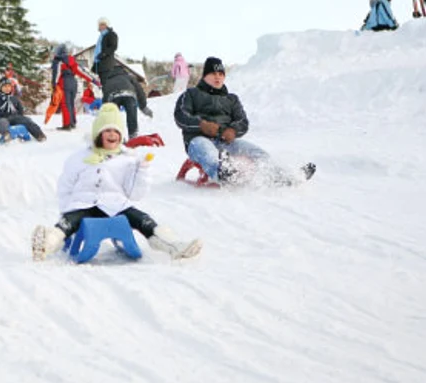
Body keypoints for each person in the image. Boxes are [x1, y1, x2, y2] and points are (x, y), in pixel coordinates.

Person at [31, 103, 201, 261]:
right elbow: (65, 186)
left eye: (116, 131)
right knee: (67, 223)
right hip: (83, 205)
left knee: (143, 219)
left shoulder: (128, 159)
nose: (112, 134)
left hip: (116, 205)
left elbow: (134, 193)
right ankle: (47, 244)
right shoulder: (80, 158)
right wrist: (66, 209)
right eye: (107, 130)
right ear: (98, 134)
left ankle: (173, 246)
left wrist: (142, 171)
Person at [174, 57, 316, 186]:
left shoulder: (231, 99)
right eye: (213, 74)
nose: (217, 77)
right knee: (207, 152)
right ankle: (223, 175)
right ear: (205, 76)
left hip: (225, 141)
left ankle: (284, 177)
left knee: (258, 153)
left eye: (221, 74)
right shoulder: (191, 94)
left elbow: (242, 121)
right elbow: (181, 116)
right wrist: (201, 125)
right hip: (198, 139)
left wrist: (233, 130)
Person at [51, 44, 97, 130]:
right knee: (71, 103)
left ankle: (67, 124)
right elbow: (82, 72)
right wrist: (94, 80)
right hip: (73, 83)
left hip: (64, 82)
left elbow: (57, 74)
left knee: (65, 104)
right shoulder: (72, 61)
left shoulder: (59, 61)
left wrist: (54, 85)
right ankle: (72, 122)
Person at [101, 66, 153, 139]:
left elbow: (105, 95)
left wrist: (105, 110)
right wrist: (143, 106)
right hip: (129, 95)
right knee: (131, 115)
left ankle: (115, 136)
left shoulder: (108, 80)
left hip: (114, 96)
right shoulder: (128, 77)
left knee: (113, 117)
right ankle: (133, 135)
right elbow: (139, 90)